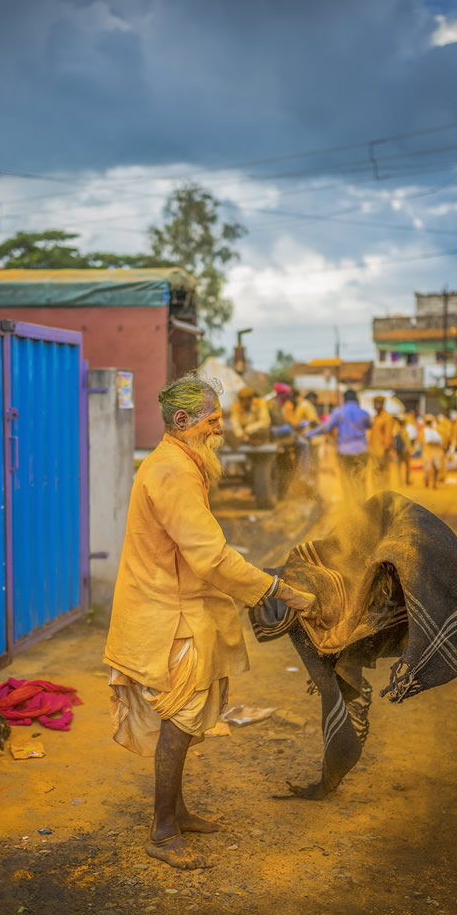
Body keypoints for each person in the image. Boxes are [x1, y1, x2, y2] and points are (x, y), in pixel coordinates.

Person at [104, 373, 318, 870]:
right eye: (213, 421)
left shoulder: (181, 461)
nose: (221, 430)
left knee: (183, 719)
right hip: (169, 615)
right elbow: (212, 557)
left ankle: (176, 812)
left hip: (180, 607)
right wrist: (278, 590)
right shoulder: (174, 471)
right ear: (183, 422)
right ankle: (161, 832)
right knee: (179, 722)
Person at [305, 388, 371, 502]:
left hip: (344, 452)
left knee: (346, 479)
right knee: (361, 479)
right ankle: (363, 505)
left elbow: (326, 427)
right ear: (356, 399)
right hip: (362, 451)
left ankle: (350, 506)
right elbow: (369, 425)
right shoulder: (364, 413)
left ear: (344, 399)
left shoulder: (339, 412)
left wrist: (310, 433)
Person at [368, 395, 395, 490]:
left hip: (382, 453)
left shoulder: (387, 417)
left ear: (383, 404)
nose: (377, 405)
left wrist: (386, 453)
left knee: (383, 478)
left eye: (379, 403)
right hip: (374, 452)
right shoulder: (375, 417)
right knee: (375, 478)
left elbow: (388, 436)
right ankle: (378, 499)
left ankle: (384, 500)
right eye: (375, 403)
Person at [421, 415, 443, 489]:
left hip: (431, 451)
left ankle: (431, 483)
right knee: (431, 468)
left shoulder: (432, 430)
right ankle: (430, 483)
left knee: (431, 468)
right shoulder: (431, 431)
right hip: (431, 451)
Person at [392, 414, 412, 486]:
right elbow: (407, 442)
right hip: (404, 451)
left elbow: (394, 442)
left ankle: (399, 481)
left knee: (399, 467)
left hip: (398, 451)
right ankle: (407, 480)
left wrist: (394, 450)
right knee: (407, 466)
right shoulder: (405, 431)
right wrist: (409, 450)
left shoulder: (396, 430)